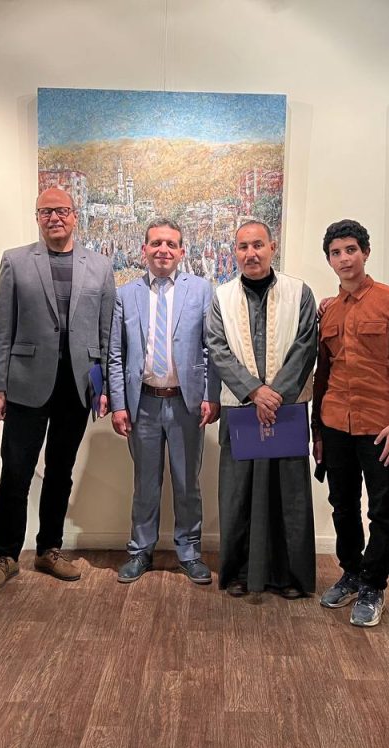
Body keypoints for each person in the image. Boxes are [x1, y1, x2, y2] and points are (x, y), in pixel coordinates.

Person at [0, 187, 115, 593]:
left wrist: (106, 386)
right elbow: (3, 328)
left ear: (75, 215)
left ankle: (48, 549)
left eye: (62, 210)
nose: (54, 217)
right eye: (46, 211)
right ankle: (6, 555)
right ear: (37, 217)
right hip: (25, 384)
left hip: (77, 385)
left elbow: (106, 333)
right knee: (16, 472)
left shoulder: (101, 266)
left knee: (60, 472)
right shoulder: (15, 261)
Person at [312, 220, 389, 627]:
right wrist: (317, 431)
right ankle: (351, 572)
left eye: (351, 250)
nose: (344, 259)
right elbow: (322, 374)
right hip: (335, 422)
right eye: (336, 253)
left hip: (381, 427)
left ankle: (374, 584)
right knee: (342, 505)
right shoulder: (329, 310)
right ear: (329, 260)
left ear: (366, 253)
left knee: (382, 509)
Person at [206, 219, 317, 599]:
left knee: (288, 496)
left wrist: (275, 395)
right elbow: (217, 348)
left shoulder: (299, 293)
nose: (251, 254)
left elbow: (306, 345)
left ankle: (289, 577)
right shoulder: (221, 297)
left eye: (257, 245)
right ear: (235, 252)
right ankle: (239, 574)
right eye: (243, 247)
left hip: (287, 408)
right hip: (240, 408)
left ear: (273, 247)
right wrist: (254, 391)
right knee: (238, 495)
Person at [108, 218, 221, 584]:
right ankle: (140, 551)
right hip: (142, 404)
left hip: (187, 404)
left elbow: (212, 348)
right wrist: (119, 404)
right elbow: (115, 354)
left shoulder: (201, 290)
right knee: (145, 484)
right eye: (156, 243)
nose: (163, 250)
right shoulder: (126, 294)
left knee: (187, 483)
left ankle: (189, 551)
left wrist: (211, 395)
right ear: (144, 249)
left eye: (171, 244)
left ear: (181, 251)